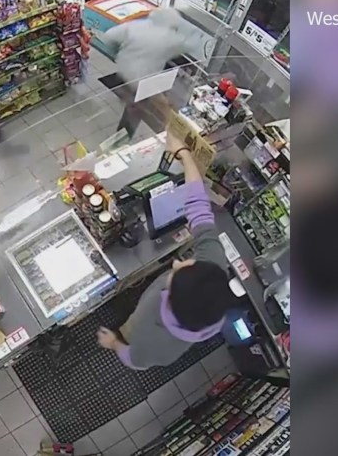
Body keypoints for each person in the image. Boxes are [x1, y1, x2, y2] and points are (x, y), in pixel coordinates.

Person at [96, 133, 237, 369]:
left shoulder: (154, 339)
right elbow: (199, 208)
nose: (176, 263)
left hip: (133, 331)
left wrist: (114, 343)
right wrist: (184, 155)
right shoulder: (213, 265)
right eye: (187, 266)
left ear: (169, 301)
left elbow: (135, 361)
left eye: (174, 277)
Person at [97, 8, 205, 137]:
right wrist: (193, 32)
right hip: (143, 83)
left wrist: (118, 52)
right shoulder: (171, 38)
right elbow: (191, 44)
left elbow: (108, 36)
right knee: (135, 111)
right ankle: (122, 138)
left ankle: (127, 108)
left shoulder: (135, 26)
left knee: (133, 100)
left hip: (123, 74)